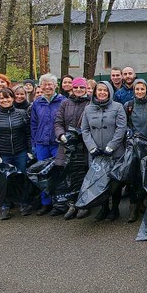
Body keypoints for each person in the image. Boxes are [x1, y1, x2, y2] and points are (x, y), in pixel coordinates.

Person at [81, 80, 128, 222]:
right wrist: (91, 147)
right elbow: (85, 129)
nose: (102, 93)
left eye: (105, 90)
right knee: (98, 181)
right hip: (96, 153)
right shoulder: (88, 108)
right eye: (99, 90)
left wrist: (111, 146)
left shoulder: (118, 107)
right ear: (95, 92)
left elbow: (121, 128)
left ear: (109, 92)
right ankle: (103, 208)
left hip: (114, 152)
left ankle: (114, 208)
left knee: (114, 183)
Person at [0, 88, 33, 220]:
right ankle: (5, 206)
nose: (5, 100)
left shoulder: (22, 114)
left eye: (8, 97)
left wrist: (30, 151)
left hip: (20, 152)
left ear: (13, 98)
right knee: (3, 180)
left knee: (22, 178)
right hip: (3, 154)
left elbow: (28, 134)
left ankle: (24, 203)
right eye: (2, 98)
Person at [55, 77, 91, 220]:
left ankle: (84, 204)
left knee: (84, 175)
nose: (78, 90)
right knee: (69, 175)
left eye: (81, 88)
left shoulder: (90, 103)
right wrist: (61, 135)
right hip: (67, 146)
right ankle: (72, 204)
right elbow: (58, 122)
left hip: (84, 145)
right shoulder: (65, 103)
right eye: (76, 88)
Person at [30, 73, 66, 215]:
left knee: (58, 173)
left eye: (50, 84)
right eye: (44, 84)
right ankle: (46, 203)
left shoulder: (62, 101)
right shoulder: (37, 103)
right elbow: (33, 124)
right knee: (42, 174)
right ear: (40, 87)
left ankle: (59, 202)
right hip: (41, 144)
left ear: (55, 85)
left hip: (57, 144)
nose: (47, 87)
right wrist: (34, 142)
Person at [124, 78, 147, 222]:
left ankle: (143, 202)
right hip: (134, 147)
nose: (140, 92)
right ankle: (133, 206)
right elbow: (124, 124)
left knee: (146, 176)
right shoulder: (128, 106)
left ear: (146, 90)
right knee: (134, 177)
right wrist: (129, 133)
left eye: (142, 89)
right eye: (137, 89)